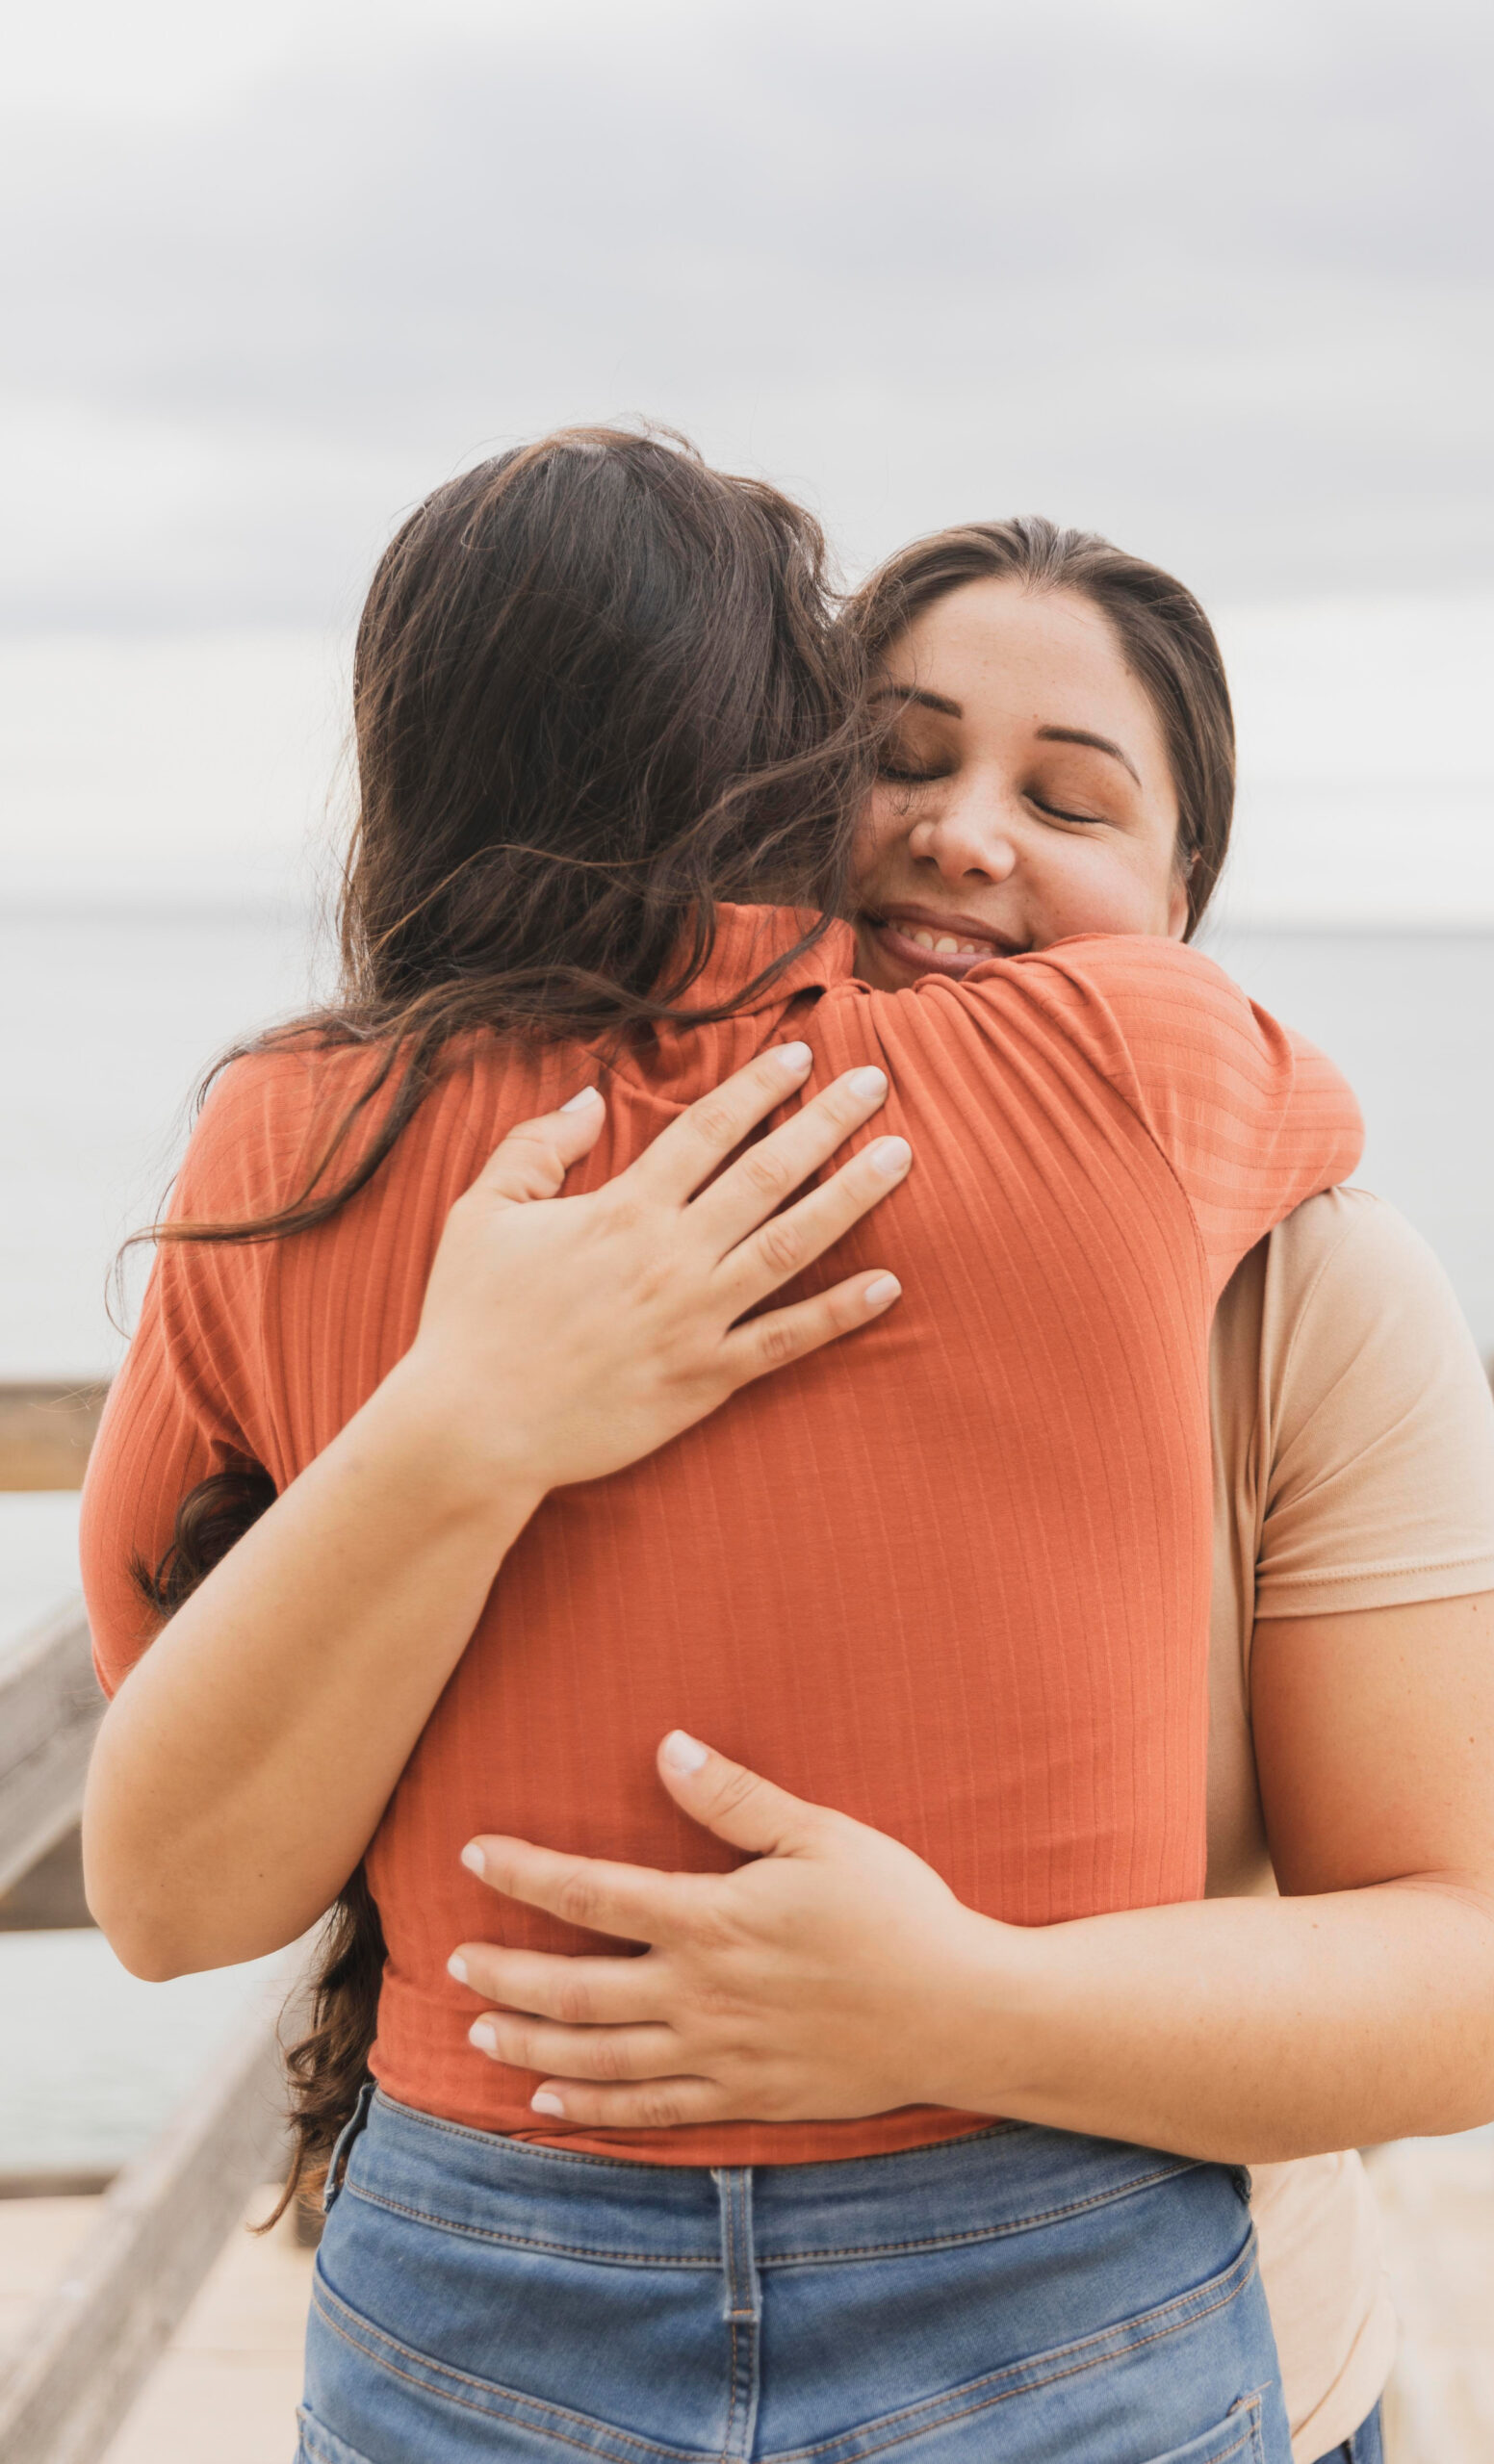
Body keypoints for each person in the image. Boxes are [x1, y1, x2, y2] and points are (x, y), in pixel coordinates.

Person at [82, 430, 1363, 2464]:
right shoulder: (1132, 1055)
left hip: (495, 2250)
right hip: (1040, 2230)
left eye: (1052, 792)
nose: (956, 838)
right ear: (791, 752)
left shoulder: (278, 1148)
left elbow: (168, 1862)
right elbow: (1305, 1126)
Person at [430, 522, 1494, 2464]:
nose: (962, 835)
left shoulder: (1308, 1286)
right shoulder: (560, 1227)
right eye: (900, 756)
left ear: (1175, 897)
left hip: (1167, 2369)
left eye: (1065, 798)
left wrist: (944, 2003)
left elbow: (1462, 1981)